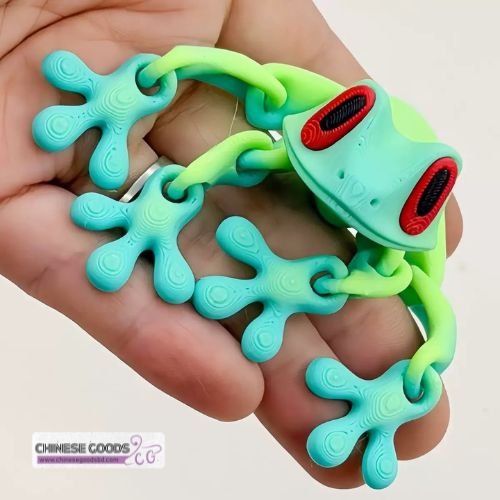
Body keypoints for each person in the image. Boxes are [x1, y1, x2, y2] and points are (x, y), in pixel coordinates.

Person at [0, 0, 462, 488]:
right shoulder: (270, 145)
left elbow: (423, 295)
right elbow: (250, 90)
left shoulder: (391, 254)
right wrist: (151, 106)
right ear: (339, 113)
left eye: (428, 192)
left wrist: (409, 381)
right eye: (347, 115)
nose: (354, 189)